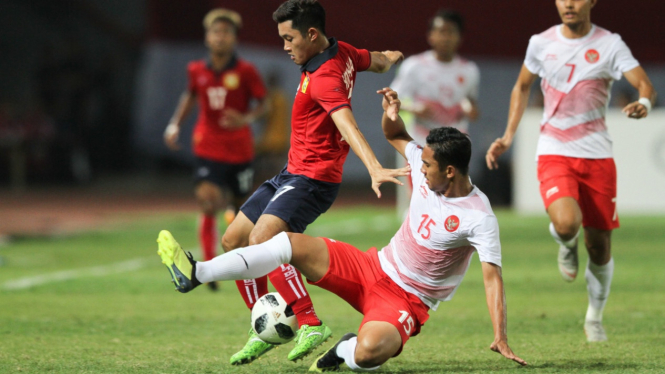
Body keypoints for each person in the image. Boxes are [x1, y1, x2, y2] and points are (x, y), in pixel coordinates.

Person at [156, 88, 527, 371]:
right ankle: (197, 272)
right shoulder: (425, 164)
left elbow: (492, 278)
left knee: (368, 353)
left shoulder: (478, 216)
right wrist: (391, 113)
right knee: (284, 242)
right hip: (370, 266)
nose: (419, 167)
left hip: (405, 301)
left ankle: (342, 350)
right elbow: (396, 135)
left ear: (450, 171)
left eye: (427, 165)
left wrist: (500, 336)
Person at [217, 0, 409, 365]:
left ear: (311, 34)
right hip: (290, 172)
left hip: (312, 179)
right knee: (235, 239)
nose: (285, 47)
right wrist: (395, 56)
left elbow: (347, 123)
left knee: (262, 241)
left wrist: (374, 167)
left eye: (289, 39)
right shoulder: (345, 52)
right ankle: (262, 325)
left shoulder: (324, 78)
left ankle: (308, 322)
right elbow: (379, 60)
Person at [485, 0, 656, 342]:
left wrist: (645, 103)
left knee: (599, 247)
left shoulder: (610, 44)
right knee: (566, 223)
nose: (569, 4)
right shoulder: (541, 42)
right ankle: (564, 240)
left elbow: (644, 84)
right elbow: (521, 86)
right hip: (554, 150)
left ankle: (594, 316)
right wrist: (508, 135)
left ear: (592, 1)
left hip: (597, 157)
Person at [163, 9, 267, 291]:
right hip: (207, 145)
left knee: (240, 210)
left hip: (240, 150)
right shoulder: (196, 70)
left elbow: (263, 103)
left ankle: (234, 253)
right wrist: (174, 124)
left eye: (226, 32)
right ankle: (208, 265)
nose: (220, 37)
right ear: (207, 38)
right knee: (208, 200)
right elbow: (191, 95)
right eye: (215, 32)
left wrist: (245, 119)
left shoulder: (245, 71)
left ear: (234, 38)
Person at [389, 9, 479, 217]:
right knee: (422, 199)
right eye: (440, 31)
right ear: (430, 35)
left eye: (450, 32)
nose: (445, 37)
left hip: (455, 146)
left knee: (453, 201)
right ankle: (414, 239)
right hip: (422, 143)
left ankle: (449, 244)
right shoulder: (415, 66)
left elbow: (472, 104)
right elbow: (392, 99)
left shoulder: (469, 70)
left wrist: (470, 110)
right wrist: (415, 108)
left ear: (459, 37)